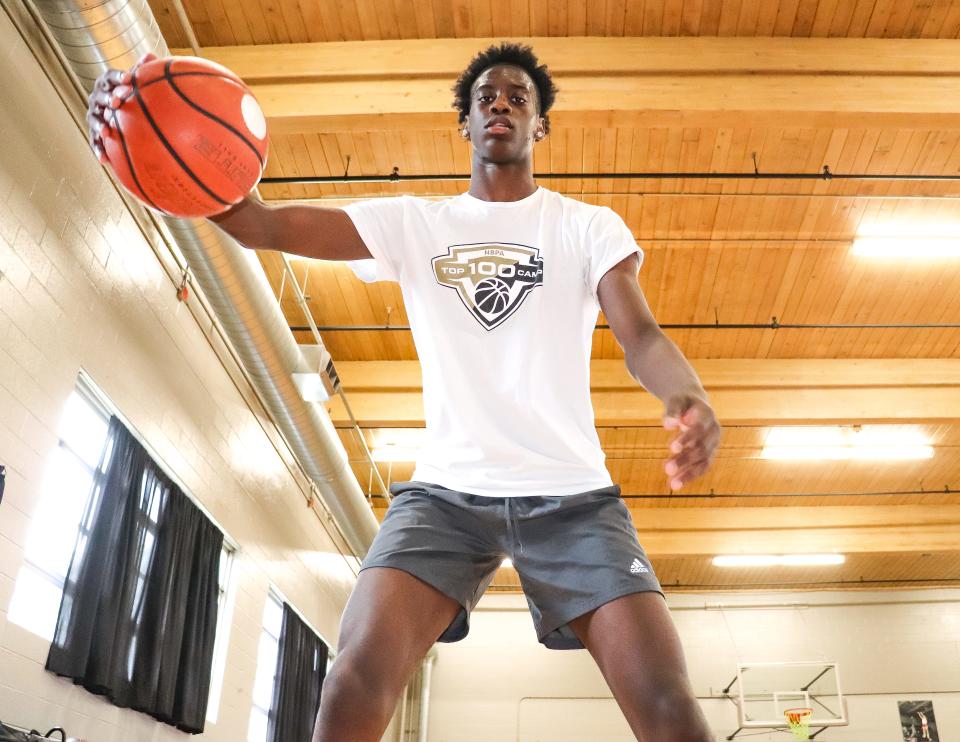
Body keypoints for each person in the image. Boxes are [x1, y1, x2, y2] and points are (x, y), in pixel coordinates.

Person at [88, 42, 720, 742]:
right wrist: (141, 136)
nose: (500, 104)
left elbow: (641, 335)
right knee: (353, 678)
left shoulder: (585, 225)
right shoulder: (416, 224)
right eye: (485, 97)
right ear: (467, 125)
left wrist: (685, 394)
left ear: (539, 125)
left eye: (517, 96)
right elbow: (258, 223)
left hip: (573, 496)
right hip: (445, 495)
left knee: (666, 703)